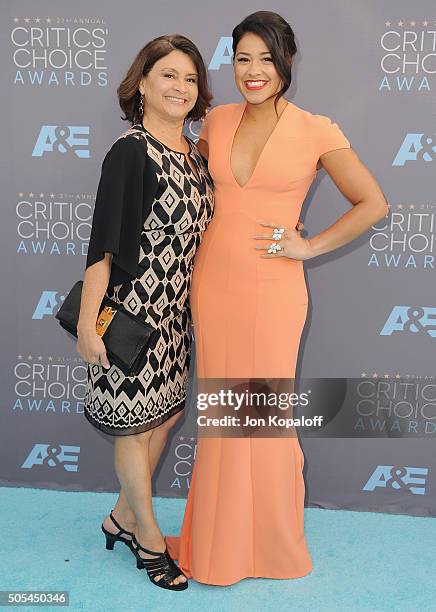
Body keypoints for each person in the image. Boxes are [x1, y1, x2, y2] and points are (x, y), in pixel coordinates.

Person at [166, 12, 390, 585]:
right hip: (212, 285)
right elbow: (184, 191)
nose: (254, 71)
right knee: (221, 414)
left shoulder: (315, 129)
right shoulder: (215, 121)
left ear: (287, 61)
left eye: (266, 58)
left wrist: (310, 246)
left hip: (273, 292)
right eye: (243, 59)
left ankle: (267, 546)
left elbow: (373, 203)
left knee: (260, 417)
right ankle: (218, 543)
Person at [76, 34, 214, 591]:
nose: (180, 87)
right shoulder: (131, 151)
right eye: (168, 76)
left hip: (174, 317)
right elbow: (103, 249)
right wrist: (89, 325)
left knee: (167, 416)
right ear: (143, 84)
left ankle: (121, 515)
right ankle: (149, 540)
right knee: (134, 431)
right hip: (129, 315)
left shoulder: (194, 154)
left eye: (190, 78)